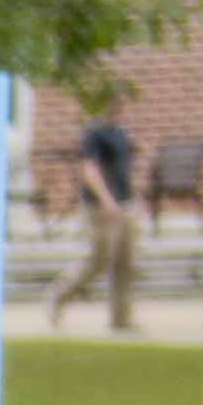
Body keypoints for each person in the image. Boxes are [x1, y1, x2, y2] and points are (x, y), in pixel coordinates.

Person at [54, 109, 142, 334]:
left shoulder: (122, 133)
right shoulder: (94, 133)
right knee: (98, 261)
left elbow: (125, 170)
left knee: (126, 263)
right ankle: (59, 297)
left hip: (126, 203)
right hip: (100, 206)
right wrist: (106, 200)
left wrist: (134, 199)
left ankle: (121, 320)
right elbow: (89, 170)